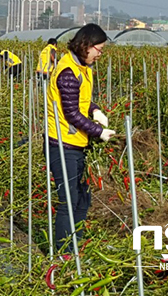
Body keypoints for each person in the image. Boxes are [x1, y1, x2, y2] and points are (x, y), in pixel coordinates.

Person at [46, 23, 115, 254]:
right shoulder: (67, 72)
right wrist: (98, 132)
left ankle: (77, 243)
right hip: (63, 144)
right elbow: (72, 113)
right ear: (87, 45)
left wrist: (95, 110)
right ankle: (64, 252)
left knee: (83, 197)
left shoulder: (82, 69)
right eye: (99, 49)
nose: (100, 53)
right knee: (68, 201)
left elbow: (81, 102)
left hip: (76, 143)